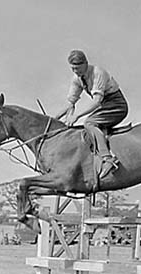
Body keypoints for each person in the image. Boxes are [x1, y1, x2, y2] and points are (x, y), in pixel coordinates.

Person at [56, 50, 129, 178]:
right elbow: (70, 103)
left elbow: (96, 102)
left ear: (85, 64)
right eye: (73, 69)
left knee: (89, 123)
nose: (75, 71)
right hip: (104, 106)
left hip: (116, 105)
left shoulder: (98, 73)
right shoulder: (77, 79)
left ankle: (108, 158)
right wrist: (53, 119)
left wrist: (77, 116)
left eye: (77, 68)